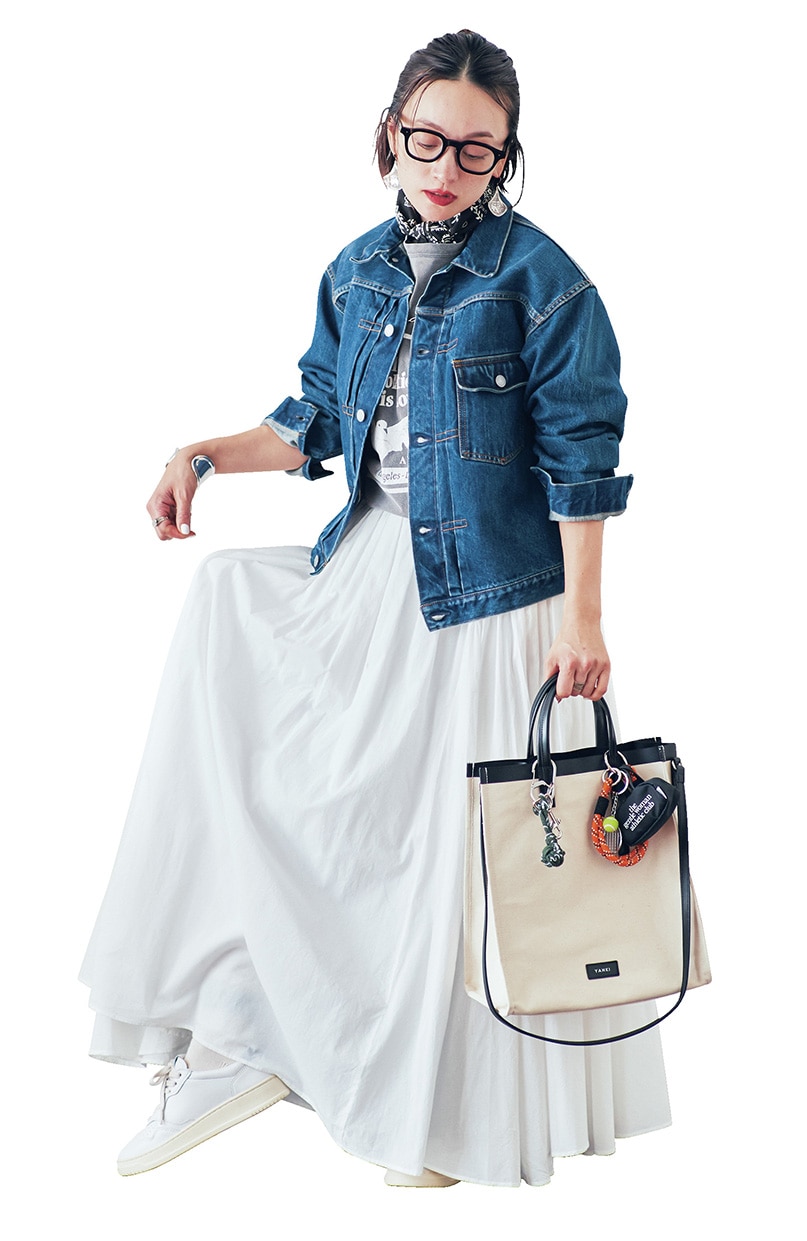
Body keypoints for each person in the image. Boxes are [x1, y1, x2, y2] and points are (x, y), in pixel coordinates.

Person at [81, 29, 671, 1188]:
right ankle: (250, 1032)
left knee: (449, 860)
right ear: (391, 133)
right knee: (236, 629)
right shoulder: (355, 269)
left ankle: (437, 1125)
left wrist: (585, 621)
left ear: (506, 155)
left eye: (478, 148)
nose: (448, 166)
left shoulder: (543, 280)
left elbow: (582, 463)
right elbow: (311, 416)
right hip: (369, 572)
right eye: (427, 138)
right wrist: (200, 453)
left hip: (490, 598)